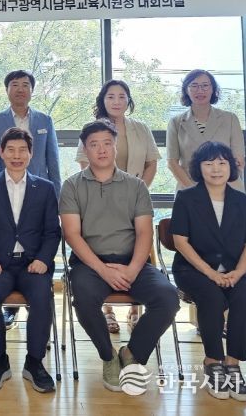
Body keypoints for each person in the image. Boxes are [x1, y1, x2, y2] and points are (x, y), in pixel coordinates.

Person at [59, 119, 178, 393]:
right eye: (94, 145)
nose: (101, 150)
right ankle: (108, 356)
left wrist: (133, 269)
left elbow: (144, 233)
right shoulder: (72, 186)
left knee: (168, 298)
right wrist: (103, 270)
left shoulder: (136, 186)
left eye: (107, 143)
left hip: (132, 261)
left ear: (115, 147)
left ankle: (132, 352)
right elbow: (72, 235)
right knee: (84, 298)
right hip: (90, 264)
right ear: (85, 150)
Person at [0, 127, 61, 393]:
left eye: (22, 150)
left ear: (31, 154)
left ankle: (35, 362)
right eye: (10, 150)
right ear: (1, 152)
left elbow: (52, 232)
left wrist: (43, 259)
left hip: (33, 264)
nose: (16, 155)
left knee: (42, 297)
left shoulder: (45, 188)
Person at [170, 142, 246, 402]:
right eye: (208, 164)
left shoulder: (243, 201)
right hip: (193, 269)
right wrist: (211, 273)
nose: (216, 169)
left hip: (235, 269)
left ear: (231, 167)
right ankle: (212, 362)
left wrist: (239, 272)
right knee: (212, 297)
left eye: (222, 163)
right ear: (198, 168)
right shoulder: (186, 198)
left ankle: (232, 364)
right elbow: (180, 242)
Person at [76, 80, 161, 333]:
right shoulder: (92, 129)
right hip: (99, 199)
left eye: (121, 96)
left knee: (140, 244)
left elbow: (152, 163)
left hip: (134, 199)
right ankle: (107, 310)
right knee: (103, 247)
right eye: (110, 96)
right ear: (103, 101)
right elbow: (84, 162)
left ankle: (136, 310)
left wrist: (136, 190)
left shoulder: (140, 128)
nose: (116, 101)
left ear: (128, 100)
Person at [0, 69, 60, 328]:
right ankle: (11, 309)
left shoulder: (45, 120)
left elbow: (52, 161)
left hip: (38, 196)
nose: (20, 89)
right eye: (14, 85)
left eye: (25, 85)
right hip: (5, 193)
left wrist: (57, 197)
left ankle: (31, 313)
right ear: (7, 90)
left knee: (33, 248)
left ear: (32, 90)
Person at [166, 69, 246, 192]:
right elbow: (172, 162)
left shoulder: (230, 119)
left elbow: (238, 160)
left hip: (228, 189)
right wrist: (195, 191)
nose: (200, 90)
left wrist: (218, 186)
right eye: (194, 86)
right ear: (186, 90)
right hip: (189, 189)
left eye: (205, 85)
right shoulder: (176, 122)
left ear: (213, 89)